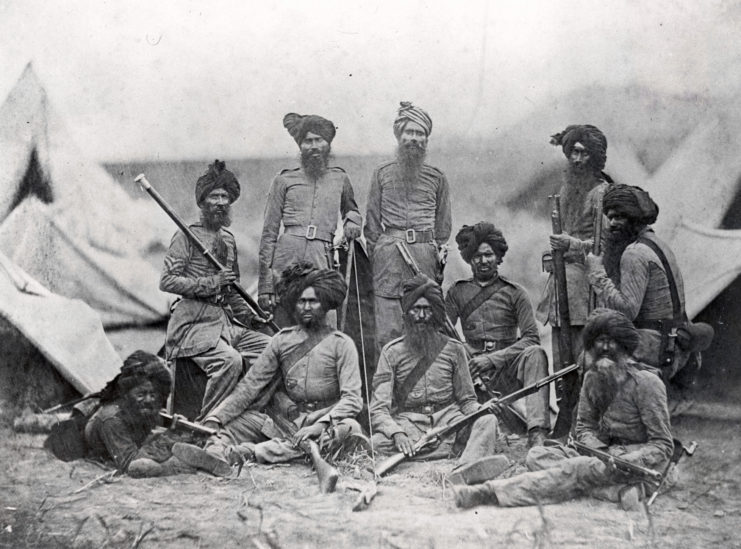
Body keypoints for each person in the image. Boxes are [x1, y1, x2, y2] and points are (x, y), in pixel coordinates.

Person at [453, 309, 674, 510]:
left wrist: (629, 458)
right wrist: (601, 451)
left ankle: (489, 493)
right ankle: (613, 491)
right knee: (537, 455)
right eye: (599, 342)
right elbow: (584, 428)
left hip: (639, 464)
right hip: (603, 457)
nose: (605, 349)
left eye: (612, 342)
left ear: (625, 347)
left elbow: (663, 444)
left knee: (575, 468)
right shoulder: (591, 378)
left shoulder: (647, 383)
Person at [174, 264, 363, 473]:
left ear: (325, 305)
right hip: (284, 424)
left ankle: (246, 453)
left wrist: (320, 425)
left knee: (349, 429)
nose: (306, 308)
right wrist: (215, 419)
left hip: (325, 425)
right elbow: (249, 387)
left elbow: (352, 399)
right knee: (232, 426)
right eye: (301, 302)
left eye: (313, 302)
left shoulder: (342, 345)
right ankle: (215, 454)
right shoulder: (281, 342)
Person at [160, 160, 271, 420]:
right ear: (202, 202)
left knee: (271, 349)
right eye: (214, 196)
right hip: (193, 324)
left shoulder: (230, 240)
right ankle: (208, 423)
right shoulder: (186, 237)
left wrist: (252, 317)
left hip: (225, 323)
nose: (221, 202)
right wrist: (211, 283)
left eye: (225, 197)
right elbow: (167, 280)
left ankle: (245, 414)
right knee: (229, 362)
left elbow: (233, 291)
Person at [370, 275, 498, 467]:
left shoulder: (455, 349)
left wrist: (481, 409)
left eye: (427, 310)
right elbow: (379, 409)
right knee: (375, 443)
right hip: (409, 426)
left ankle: (467, 466)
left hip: (450, 424)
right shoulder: (391, 352)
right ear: (407, 313)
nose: (421, 316)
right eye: (416, 309)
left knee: (487, 421)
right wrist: (397, 433)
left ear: (436, 313)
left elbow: (467, 400)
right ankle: (447, 451)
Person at [585, 184, 707, 380]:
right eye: (611, 217)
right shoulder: (657, 243)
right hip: (674, 343)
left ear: (635, 218)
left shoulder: (634, 253)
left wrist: (596, 273)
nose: (613, 223)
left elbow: (628, 310)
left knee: (589, 360)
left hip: (655, 349)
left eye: (620, 217)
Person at [536, 124, 612, 434]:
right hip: (561, 286)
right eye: (573, 152)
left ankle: (585, 421)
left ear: (595, 157)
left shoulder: (601, 193)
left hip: (586, 286)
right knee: (560, 353)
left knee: (584, 354)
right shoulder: (566, 190)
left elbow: (605, 246)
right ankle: (564, 418)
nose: (577, 159)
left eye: (584, 153)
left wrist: (572, 244)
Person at [446, 222, 550, 447]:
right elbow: (444, 334)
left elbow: (531, 337)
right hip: (471, 368)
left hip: (507, 368)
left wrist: (492, 359)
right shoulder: (456, 292)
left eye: (488, 255)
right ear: (469, 259)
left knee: (535, 353)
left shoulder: (515, 293)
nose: (483, 261)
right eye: (476, 256)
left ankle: (537, 431)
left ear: (498, 257)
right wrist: (466, 355)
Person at [258, 113, 362, 325]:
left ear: (328, 144)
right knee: (283, 322)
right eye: (308, 141)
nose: (314, 146)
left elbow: (352, 210)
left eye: (319, 140)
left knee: (322, 319)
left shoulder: (340, 178)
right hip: (287, 257)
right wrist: (266, 286)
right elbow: (269, 234)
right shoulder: (283, 180)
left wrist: (352, 221)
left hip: (321, 257)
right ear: (300, 146)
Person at [364, 102, 452, 353]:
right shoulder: (381, 173)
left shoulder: (437, 177)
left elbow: (443, 227)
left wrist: (432, 255)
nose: (414, 139)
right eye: (409, 133)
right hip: (388, 260)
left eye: (420, 133)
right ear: (399, 136)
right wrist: (381, 253)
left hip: (424, 258)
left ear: (426, 139)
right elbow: (371, 224)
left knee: (424, 326)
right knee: (388, 333)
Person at [82, 351, 196, 477]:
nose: (148, 400)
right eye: (141, 395)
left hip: (132, 445)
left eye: (153, 395)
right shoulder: (112, 419)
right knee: (149, 467)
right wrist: (170, 436)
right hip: (112, 457)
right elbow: (132, 464)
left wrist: (178, 426)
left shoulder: (141, 408)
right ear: (126, 394)